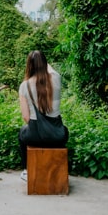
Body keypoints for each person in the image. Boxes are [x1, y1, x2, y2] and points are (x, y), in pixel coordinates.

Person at [17, 50, 68, 180]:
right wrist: (41, 60)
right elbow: (50, 69)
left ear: (29, 66)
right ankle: (57, 169)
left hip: (34, 136)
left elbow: (25, 117)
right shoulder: (56, 79)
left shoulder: (24, 86)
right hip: (57, 136)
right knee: (65, 131)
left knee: (22, 132)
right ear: (45, 63)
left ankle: (26, 170)